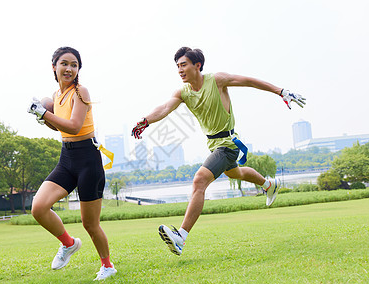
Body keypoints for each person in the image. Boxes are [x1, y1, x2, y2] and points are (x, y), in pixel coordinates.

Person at [131, 47, 305, 256]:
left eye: (183, 64)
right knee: (236, 173)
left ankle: (181, 237)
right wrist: (146, 121)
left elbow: (249, 81)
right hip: (214, 144)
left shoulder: (217, 80)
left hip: (228, 143)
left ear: (198, 65)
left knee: (199, 180)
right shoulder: (183, 92)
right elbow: (164, 108)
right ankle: (269, 184)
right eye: (177, 66)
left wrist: (281, 91)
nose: (179, 70)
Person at [27, 46, 117, 280]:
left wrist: (43, 113)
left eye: (74, 65)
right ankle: (68, 244)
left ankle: (107, 266)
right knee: (38, 207)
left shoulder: (81, 91)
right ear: (54, 66)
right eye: (64, 63)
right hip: (67, 158)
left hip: (88, 159)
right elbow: (59, 126)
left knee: (90, 224)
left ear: (78, 70)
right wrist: (42, 114)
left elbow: (75, 126)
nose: (69, 68)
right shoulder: (56, 97)